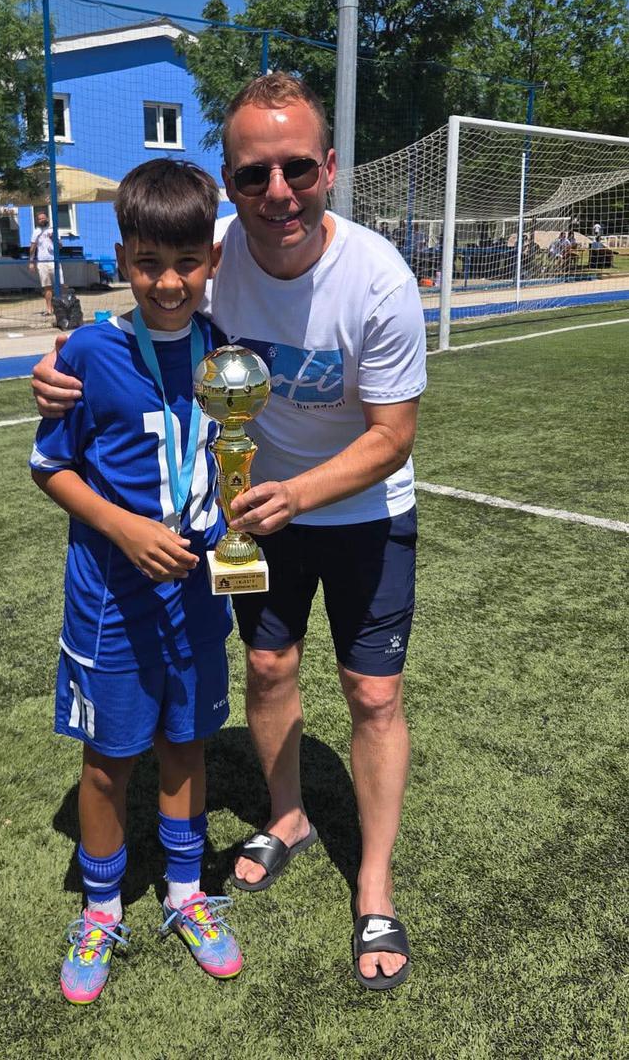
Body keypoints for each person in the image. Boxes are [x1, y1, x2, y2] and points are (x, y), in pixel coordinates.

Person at [32, 73, 427, 991]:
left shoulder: (380, 279)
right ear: (232, 184)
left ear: (329, 168)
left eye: (297, 169)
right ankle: (284, 819)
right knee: (267, 668)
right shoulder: (209, 248)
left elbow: (393, 436)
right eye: (254, 175)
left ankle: (373, 886)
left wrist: (298, 495)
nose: (277, 192)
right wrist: (56, 362)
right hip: (250, 518)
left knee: (372, 695)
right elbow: (140, 293)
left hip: (359, 506)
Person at [29, 158, 243, 1005]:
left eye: (187, 262)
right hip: (111, 601)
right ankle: (101, 908)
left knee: (186, 742)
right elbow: (49, 466)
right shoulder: (89, 351)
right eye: (149, 263)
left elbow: (227, 458)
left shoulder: (227, 355)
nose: (168, 282)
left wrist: (244, 510)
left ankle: (188, 894)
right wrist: (123, 527)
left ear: (211, 260)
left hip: (196, 594)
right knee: (109, 759)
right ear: (123, 259)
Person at [29, 211, 64, 316]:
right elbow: (32, 248)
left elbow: (60, 246)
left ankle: (62, 307)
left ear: (47, 218)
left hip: (54, 260)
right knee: (47, 286)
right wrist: (31, 262)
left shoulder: (54, 230)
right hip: (42, 262)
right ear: (37, 221)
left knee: (60, 285)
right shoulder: (36, 232)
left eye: (43, 218)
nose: (42, 220)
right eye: (39, 219)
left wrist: (53, 239)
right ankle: (49, 309)